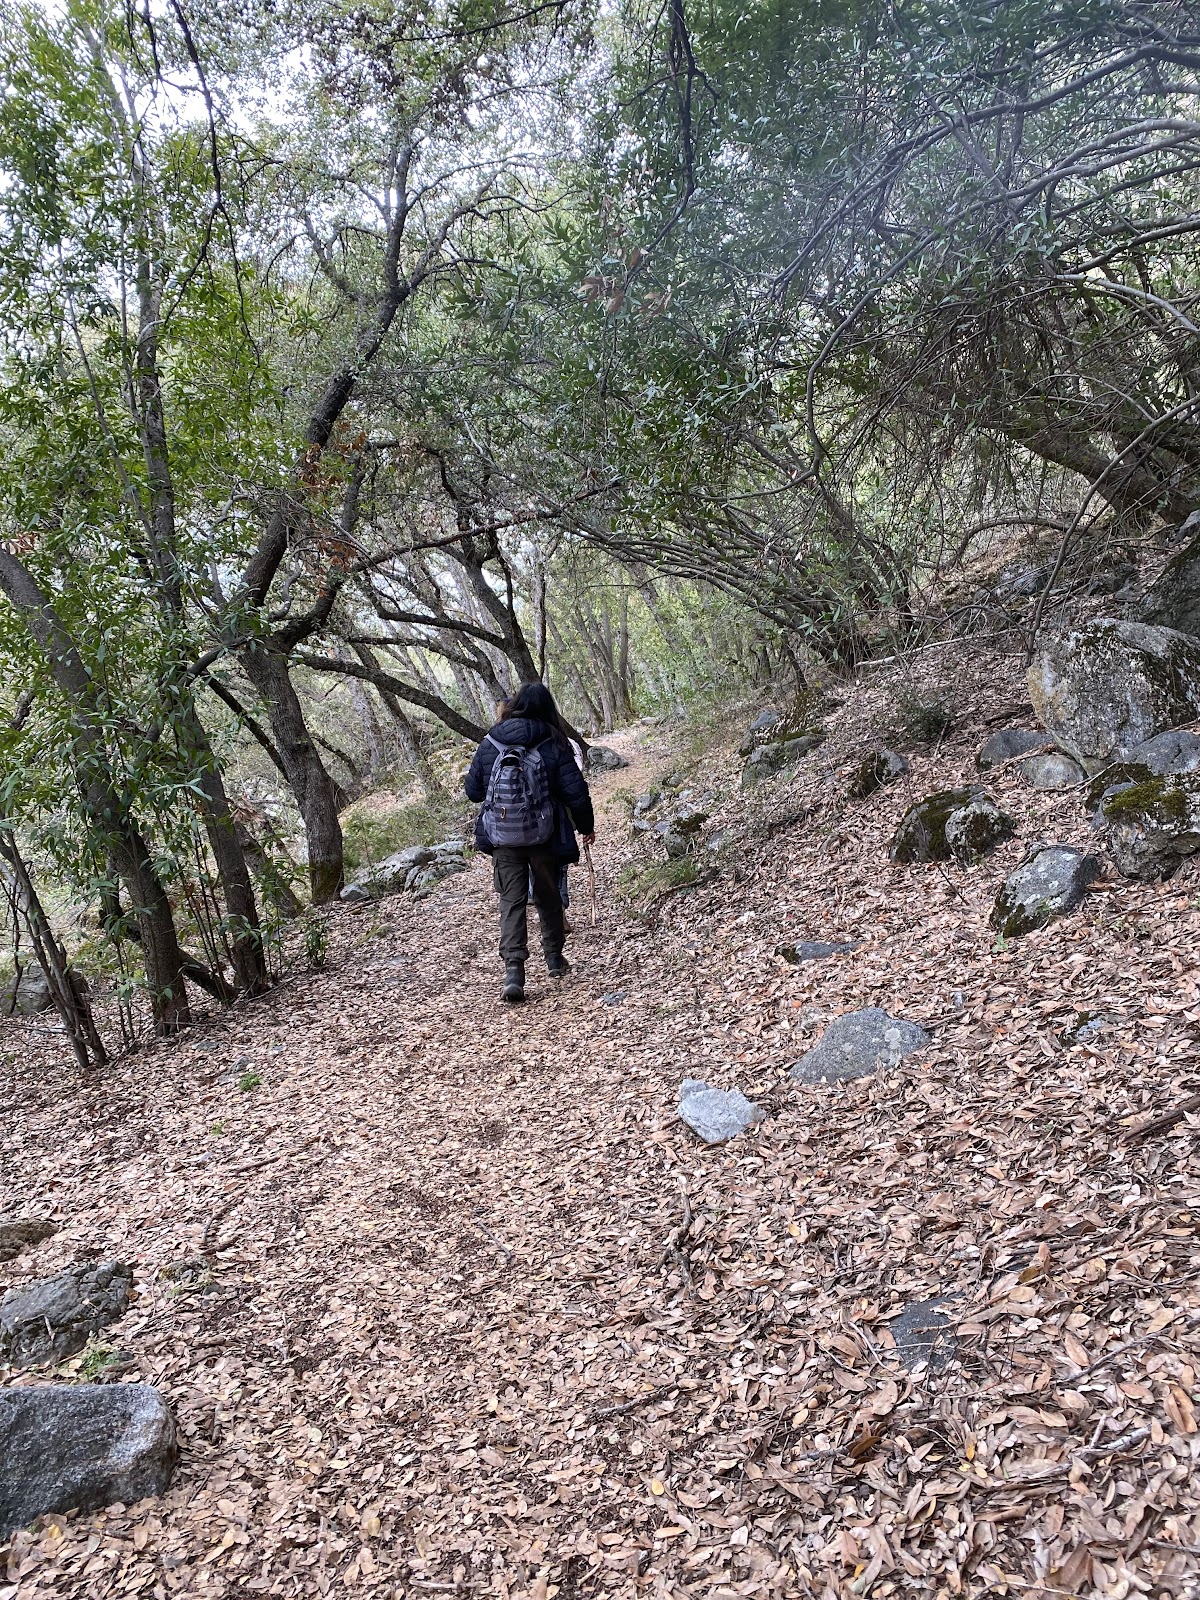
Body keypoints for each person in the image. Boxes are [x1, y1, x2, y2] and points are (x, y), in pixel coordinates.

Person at [464, 683, 595, 1003]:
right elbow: (574, 790)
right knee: (548, 896)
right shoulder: (552, 738)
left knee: (512, 900)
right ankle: (553, 958)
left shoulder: (491, 740)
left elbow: (474, 791)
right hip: (545, 833)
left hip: (503, 836)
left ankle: (513, 971)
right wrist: (585, 826)